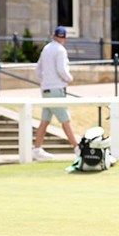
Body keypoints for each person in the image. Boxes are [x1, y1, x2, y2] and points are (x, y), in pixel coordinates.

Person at [33, 26, 78, 161]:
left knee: (45, 121)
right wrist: (69, 79)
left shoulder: (46, 49)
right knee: (65, 120)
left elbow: (38, 70)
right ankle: (78, 148)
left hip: (46, 89)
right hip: (56, 90)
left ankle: (37, 148)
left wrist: (46, 81)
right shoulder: (60, 50)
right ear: (64, 38)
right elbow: (61, 69)